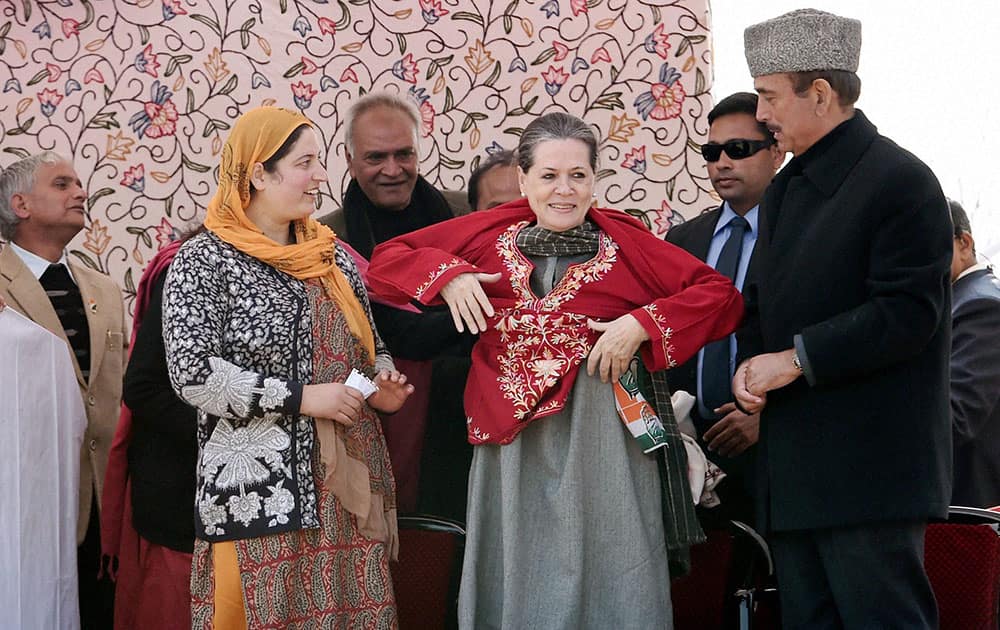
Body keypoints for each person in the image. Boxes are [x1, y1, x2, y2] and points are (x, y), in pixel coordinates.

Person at [367, 111, 744, 628]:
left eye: (578, 175)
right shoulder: (486, 234)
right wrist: (450, 279)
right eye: (548, 176)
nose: (563, 190)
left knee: (612, 557)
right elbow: (389, 259)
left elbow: (719, 296)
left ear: (595, 179)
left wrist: (640, 324)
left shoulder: (629, 246)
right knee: (520, 562)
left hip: (602, 434)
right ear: (523, 180)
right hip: (512, 441)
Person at [734, 9, 953, 628]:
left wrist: (797, 358)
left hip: (871, 476)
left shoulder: (901, 181)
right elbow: (761, 305)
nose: (762, 114)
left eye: (771, 96)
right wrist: (751, 367)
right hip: (796, 474)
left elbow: (908, 313)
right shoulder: (784, 191)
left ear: (821, 94)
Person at [161, 106, 413, 628]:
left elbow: (366, 348)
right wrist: (301, 397)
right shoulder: (205, 259)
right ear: (258, 172)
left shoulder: (332, 256)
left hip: (345, 491)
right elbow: (192, 374)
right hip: (260, 497)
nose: (321, 176)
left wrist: (377, 386)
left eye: (319, 161)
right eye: (305, 162)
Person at [320, 91, 476, 516]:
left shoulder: (466, 217)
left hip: (468, 411)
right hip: (380, 415)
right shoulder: (327, 242)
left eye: (404, 154)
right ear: (349, 160)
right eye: (375, 158)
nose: (393, 170)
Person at [0, 152, 127, 629]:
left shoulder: (105, 290)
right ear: (21, 204)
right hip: (24, 499)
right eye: (61, 184)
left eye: (79, 182)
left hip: (102, 503)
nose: (81, 192)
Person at [666, 91, 783, 526]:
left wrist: (768, 422)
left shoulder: (798, 237)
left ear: (776, 153)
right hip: (689, 446)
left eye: (738, 149)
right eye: (711, 152)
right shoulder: (683, 241)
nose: (722, 163)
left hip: (770, 451)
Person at [99, 227, 203, 629]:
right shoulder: (187, 266)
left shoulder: (308, 262)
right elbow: (143, 386)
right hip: (181, 498)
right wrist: (232, 438)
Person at [948, 199, 1000, 508]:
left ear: (964, 243)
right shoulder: (962, 300)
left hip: (970, 506)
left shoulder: (980, 306)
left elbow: (957, 415)